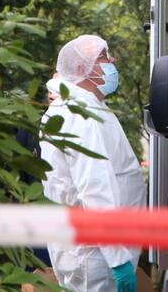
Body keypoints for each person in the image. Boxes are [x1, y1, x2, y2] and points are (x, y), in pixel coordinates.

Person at [41, 35, 145, 292]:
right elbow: (94, 188)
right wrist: (118, 260)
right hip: (96, 256)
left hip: (95, 251)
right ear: (80, 70)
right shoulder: (79, 115)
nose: (112, 60)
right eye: (102, 57)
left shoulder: (87, 108)